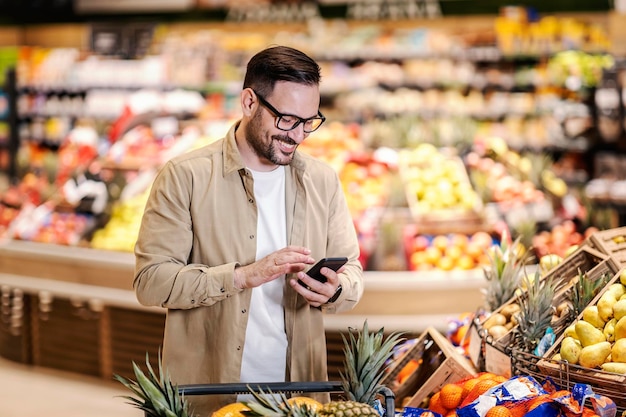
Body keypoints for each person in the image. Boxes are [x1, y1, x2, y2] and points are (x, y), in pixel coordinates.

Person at [133, 45, 364, 415]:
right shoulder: (185, 176)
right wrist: (243, 275)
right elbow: (151, 281)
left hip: (299, 396)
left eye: (309, 122)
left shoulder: (322, 181)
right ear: (249, 102)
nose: (298, 135)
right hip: (209, 394)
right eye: (286, 119)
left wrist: (335, 290)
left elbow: (352, 270)